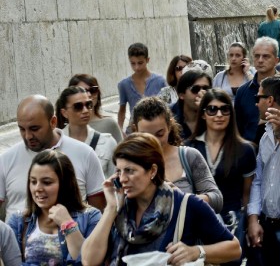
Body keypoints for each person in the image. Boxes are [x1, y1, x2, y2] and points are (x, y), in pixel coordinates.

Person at [81, 133, 240, 266]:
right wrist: (110, 209)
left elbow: (234, 248)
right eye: (119, 171)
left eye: (129, 171)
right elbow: (89, 260)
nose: (122, 179)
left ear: (152, 171)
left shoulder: (187, 205)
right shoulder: (120, 211)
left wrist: (197, 252)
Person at [0, 96, 106, 216]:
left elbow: (99, 213)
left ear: (53, 122)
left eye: (34, 128)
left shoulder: (85, 154)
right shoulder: (5, 160)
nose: (28, 136)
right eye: (22, 129)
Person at [187, 89, 256, 262]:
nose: (219, 114)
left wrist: (248, 223)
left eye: (225, 109)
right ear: (203, 114)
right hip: (196, 222)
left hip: (232, 221)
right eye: (212, 109)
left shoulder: (245, 150)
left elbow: (248, 193)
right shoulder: (189, 148)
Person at [8, 150, 101, 266]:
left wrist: (68, 224)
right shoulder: (18, 221)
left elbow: (88, 261)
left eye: (46, 182)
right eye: (33, 182)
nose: (38, 188)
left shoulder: (91, 217)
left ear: (65, 184)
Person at [132, 97, 223, 214]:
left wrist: (181, 198)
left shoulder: (189, 156)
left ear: (169, 126)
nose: (154, 141)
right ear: (135, 130)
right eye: (146, 136)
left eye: (160, 134)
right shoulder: (127, 163)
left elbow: (216, 199)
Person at [247, 76, 280, 266]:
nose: (255, 103)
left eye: (258, 98)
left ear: (269, 100)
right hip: (266, 228)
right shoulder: (265, 134)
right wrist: (253, 219)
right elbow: (258, 180)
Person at [56, 86, 118, 178]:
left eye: (88, 105)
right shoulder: (56, 143)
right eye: (78, 107)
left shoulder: (107, 141)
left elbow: (115, 181)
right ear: (64, 113)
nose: (85, 111)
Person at [234, 37, 280, 143]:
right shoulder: (242, 92)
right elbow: (237, 128)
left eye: (266, 56)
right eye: (257, 56)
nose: (260, 60)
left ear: (276, 60)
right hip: (250, 153)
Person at [117, 43, 167, 133]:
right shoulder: (123, 84)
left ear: (147, 60)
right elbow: (122, 110)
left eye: (140, 63)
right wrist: (120, 131)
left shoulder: (160, 81)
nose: (137, 67)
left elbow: (168, 107)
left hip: (156, 129)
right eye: (133, 63)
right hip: (134, 130)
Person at [68, 74, 124, 144]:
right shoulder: (63, 130)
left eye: (93, 90)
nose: (88, 94)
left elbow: (122, 152)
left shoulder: (109, 124)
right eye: (82, 91)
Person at [170, 69, 212, 140]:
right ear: (181, 95)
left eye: (206, 89)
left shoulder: (216, 112)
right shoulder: (169, 116)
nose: (200, 93)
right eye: (195, 89)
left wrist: (207, 111)